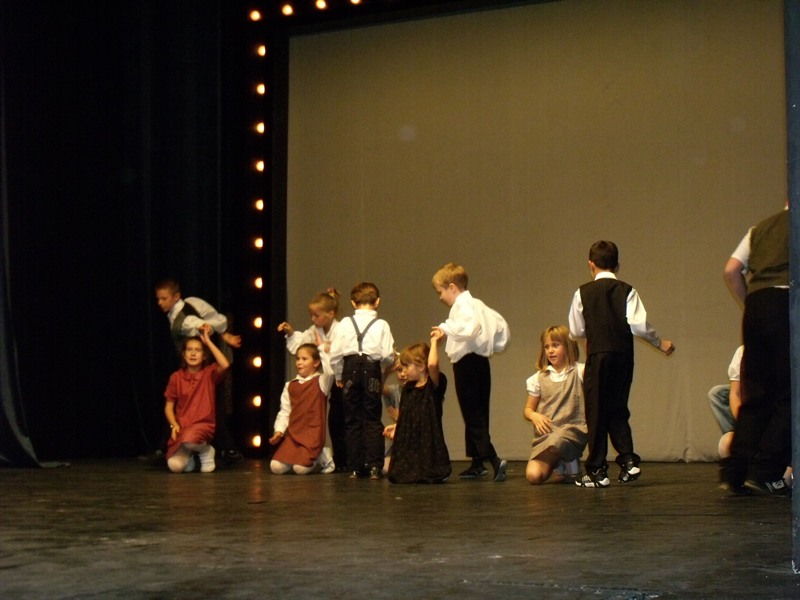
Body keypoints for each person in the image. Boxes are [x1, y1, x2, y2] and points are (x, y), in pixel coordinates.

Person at [568, 241, 675, 488]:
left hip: (598, 355)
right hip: (623, 356)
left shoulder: (582, 292)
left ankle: (597, 470)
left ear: (590, 265)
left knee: (596, 410)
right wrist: (659, 343)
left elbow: (576, 329)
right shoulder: (627, 290)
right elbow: (638, 325)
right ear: (617, 265)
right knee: (617, 406)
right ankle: (628, 460)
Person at [720, 202, 791, 496]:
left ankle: (735, 471)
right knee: (790, 394)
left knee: (757, 394)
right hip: (787, 303)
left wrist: (750, 302)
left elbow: (731, 270)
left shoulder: (759, 229)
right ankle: (766, 471)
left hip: (757, 306)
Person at [431, 262, 509, 482]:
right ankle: (477, 462)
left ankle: (493, 459)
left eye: (441, 291)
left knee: (472, 414)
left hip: (467, 364)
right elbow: (501, 329)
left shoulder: (462, 306)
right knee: (478, 411)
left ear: (452, 287)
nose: (440, 297)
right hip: (481, 363)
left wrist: (445, 328)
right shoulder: (478, 304)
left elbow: (470, 327)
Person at [155, 279, 243, 466]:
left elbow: (200, 325)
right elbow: (215, 317)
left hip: (205, 367)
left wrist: (208, 330)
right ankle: (171, 448)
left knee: (212, 409)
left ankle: (225, 448)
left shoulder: (184, 321)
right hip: (193, 367)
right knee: (183, 406)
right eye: (158, 299)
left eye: (164, 298)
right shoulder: (191, 302)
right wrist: (224, 333)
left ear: (176, 297)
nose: (160, 303)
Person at [329, 282, 395, 480]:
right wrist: (381, 366)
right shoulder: (382, 325)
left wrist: (339, 375)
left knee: (352, 419)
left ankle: (356, 467)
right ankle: (374, 466)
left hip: (350, 370)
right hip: (371, 369)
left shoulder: (345, 323)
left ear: (353, 303)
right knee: (372, 417)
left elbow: (335, 353)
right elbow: (388, 355)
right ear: (377, 302)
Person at [277, 288, 347, 472]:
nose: (313, 319)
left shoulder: (341, 330)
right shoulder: (315, 330)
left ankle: (348, 459)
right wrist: (291, 333)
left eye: (317, 315)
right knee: (334, 419)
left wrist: (326, 348)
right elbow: (303, 345)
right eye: (312, 315)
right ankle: (337, 458)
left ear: (330, 314)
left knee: (344, 418)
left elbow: (340, 355)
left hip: (342, 377)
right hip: (328, 377)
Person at [383, 331, 451, 484]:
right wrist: (397, 426)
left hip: (428, 439)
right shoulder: (408, 389)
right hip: (411, 441)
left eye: (407, 366)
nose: (404, 371)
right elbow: (408, 415)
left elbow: (432, 365)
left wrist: (434, 342)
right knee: (398, 474)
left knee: (427, 472)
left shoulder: (433, 385)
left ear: (420, 366)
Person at [523, 325, 587, 485]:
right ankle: (560, 461)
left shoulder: (580, 371)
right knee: (533, 476)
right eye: (547, 347)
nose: (550, 350)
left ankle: (569, 458)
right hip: (548, 433)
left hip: (572, 429)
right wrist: (534, 415)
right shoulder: (539, 378)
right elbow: (528, 409)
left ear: (568, 346)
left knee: (558, 441)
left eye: (555, 345)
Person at [164, 329, 230, 473]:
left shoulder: (209, 374)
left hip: (203, 426)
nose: (193, 354)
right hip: (183, 428)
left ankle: (206, 451)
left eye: (198, 350)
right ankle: (190, 456)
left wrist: (208, 342)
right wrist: (174, 425)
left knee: (189, 439)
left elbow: (225, 365)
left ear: (204, 355)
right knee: (175, 466)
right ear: (183, 354)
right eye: (189, 350)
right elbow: (168, 407)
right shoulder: (176, 377)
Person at [269, 342, 335, 475]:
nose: (299, 362)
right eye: (298, 359)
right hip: (294, 435)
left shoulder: (321, 382)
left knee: (299, 469)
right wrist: (279, 430)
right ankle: (306, 455)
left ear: (316, 363)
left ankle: (322, 454)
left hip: (312, 435)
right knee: (276, 467)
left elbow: (330, 372)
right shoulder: (290, 385)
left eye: (304, 359)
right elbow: (285, 412)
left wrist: (322, 350)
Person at [706, 346, 743, 459]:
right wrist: (744, 424)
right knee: (718, 393)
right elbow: (735, 393)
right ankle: (740, 438)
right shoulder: (742, 351)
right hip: (750, 401)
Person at [381, 356, 405, 474]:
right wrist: (386, 372)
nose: (402, 374)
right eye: (399, 370)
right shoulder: (395, 391)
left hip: (415, 439)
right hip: (398, 440)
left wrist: (400, 420)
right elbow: (376, 387)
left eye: (405, 369)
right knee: (385, 470)